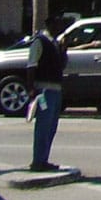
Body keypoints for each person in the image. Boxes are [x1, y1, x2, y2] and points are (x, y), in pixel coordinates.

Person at [27, 15, 69, 173]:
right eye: (57, 24)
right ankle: (37, 161)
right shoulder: (39, 41)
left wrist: (64, 50)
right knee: (43, 127)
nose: (59, 27)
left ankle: (44, 159)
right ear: (49, 24)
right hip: (44, 90)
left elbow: (62, 65)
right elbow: (31, 65)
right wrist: (31, 88)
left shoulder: (56, 43)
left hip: (56, 89)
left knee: (51, 127)